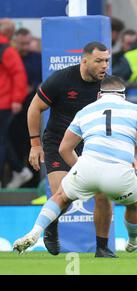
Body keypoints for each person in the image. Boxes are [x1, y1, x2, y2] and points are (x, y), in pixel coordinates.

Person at [13, 76, 137, 255]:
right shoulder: (135, 109)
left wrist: (81, 167)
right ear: (123, 95)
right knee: (134, 204)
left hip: (87, 168)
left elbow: (65, 148)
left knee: (60, 196)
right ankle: (134, 240)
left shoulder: (85, 111)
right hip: (119, 174)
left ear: (99, 95)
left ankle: (34, 232)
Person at [27, 42, 115, 258]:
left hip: (92, 146)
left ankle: (102, 247)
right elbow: (34, 108)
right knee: (63, 195)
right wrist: (35, 144)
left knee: (103, 195)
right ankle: (51, 227)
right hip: (58, 143)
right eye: (99, 61)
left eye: (107, 60)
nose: (104, 65)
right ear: (84, 61)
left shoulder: (109, 86)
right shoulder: (61, 79)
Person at [6, 27, 41, 189]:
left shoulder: (36, 58)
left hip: (30, 109)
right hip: (12, 109)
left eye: (27, 43)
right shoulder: (9, 55)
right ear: (15, 41)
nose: (25, 47)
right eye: (22, 44)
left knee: (31, 146)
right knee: (12, 144)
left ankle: (32, 183)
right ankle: (15, 176)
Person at [0, 18, 28, 188]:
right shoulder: (6, 49)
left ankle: (19, 171)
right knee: (3, 140)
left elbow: (19, 75)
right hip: (4, 101)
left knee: (2, 140)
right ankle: (19, 170)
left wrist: (17, 99)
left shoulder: (6, 50)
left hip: (4, 103)